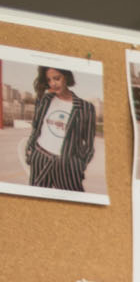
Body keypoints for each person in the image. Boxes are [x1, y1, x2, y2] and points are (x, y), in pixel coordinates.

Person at [23, 64, 97, 194]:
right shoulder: (44, 100)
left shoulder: (86, 108)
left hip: (66, 164)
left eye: (57, 78)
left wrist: (79, 165)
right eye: (49, 80)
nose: (53, 83)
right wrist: (31, 151)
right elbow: (36, 127)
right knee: (36, 201)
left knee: (75, 203)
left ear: (66, 77)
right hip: (40, 157)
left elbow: (89, 144)